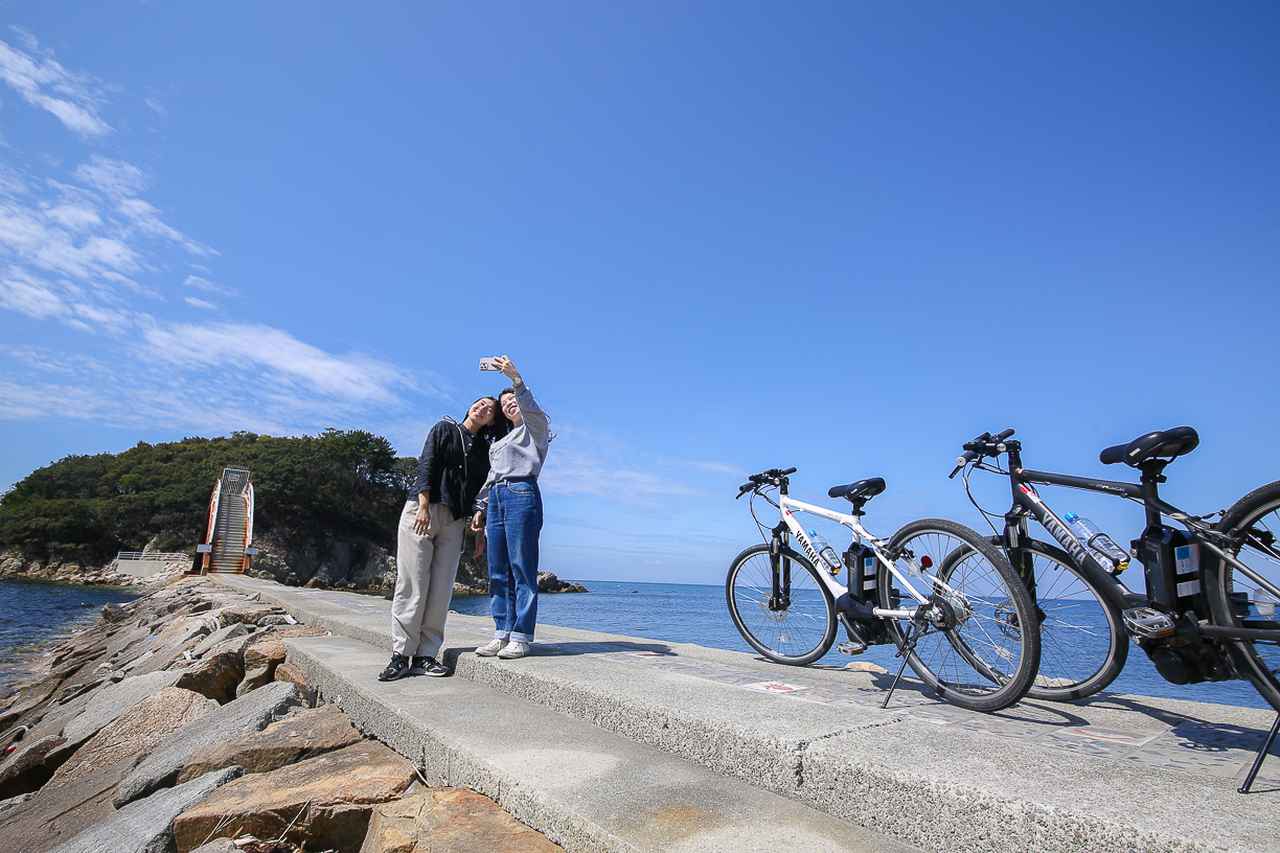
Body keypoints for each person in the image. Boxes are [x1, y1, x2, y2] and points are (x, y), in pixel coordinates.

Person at [380, 396, 504, 681]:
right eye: (480, 404)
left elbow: (478, 490)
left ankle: (426, 655)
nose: (483, 408)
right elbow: (427, 465)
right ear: (470, 407)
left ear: (491, 421)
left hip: (455, 521)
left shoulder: (485, 450)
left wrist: (478, 524)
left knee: (441, 590)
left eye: (489, 410)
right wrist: (423, 505)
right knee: (412, 585)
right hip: (423, 510)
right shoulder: (444, 429)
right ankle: (400, 655)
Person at [470, 356, 551, 660]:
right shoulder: (501, 440)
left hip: (521, 492)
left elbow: (531, 410)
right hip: (497, 498)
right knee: (498, 571)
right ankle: (501, 632)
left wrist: (517, 381)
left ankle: (522, 635)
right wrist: (480, 506)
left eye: (513, 400)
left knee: (522, 568)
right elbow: (492, 475)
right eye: (504, 403)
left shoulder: (536, 428)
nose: (509, 404)